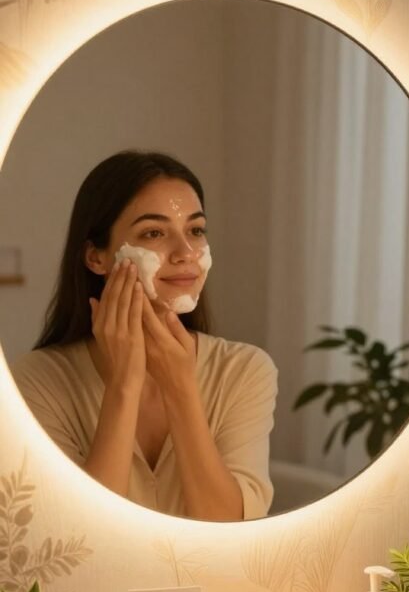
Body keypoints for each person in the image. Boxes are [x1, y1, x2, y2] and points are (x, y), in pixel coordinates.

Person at [11, 151, 277, 521]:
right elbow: (84, 535)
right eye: (154, 233)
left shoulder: (245, 370)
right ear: (96, 258)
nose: (186, 253)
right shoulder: (37, 381)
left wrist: (180, 386)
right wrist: (124, 384)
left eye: (196, 230)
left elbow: (228, 527)